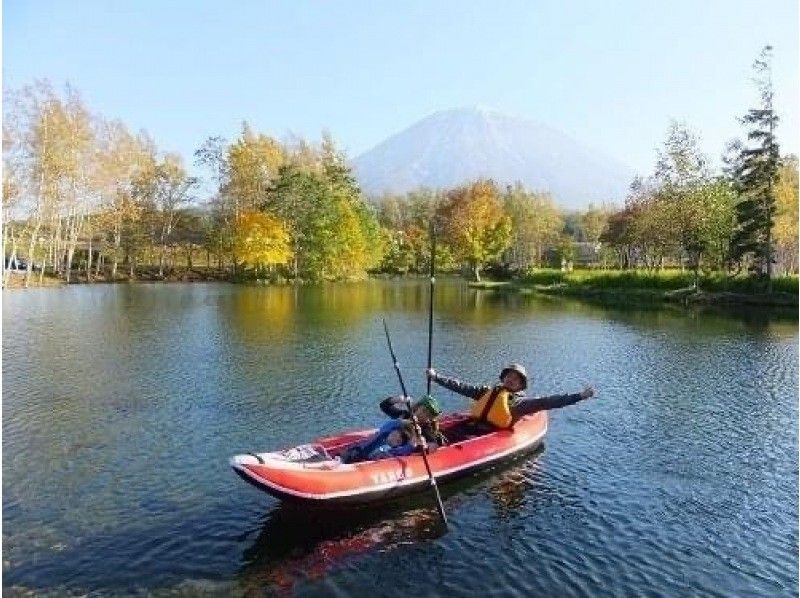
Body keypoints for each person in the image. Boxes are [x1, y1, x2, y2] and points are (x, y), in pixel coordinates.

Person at [426, 363, 594, 430]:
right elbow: (461, 387)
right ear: (503, 377)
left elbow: (549, 402)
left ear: (521, 385)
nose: (511, 380)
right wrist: (436, 377)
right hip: (472, 426)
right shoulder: (488, 391)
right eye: (509, 376)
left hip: (488, 435)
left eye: (516, 379)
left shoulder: (519, 403)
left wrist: (579, 396)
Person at [379, 394, 446, 447]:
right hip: (386, 444)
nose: (424, 415)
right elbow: (384, 406)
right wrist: (398, 399)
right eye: (423, 411)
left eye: (428, 415)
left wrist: (422, 443)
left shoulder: (426, 430)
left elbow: (433, 444)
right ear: (417, 407)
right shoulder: (405, 415)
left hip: (400, 455)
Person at [339, 419, 415, 463]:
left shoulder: (393, 451)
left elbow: (404, 450)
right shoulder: (382, 434)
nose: (393, 439)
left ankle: (337, 462)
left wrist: (412, 445)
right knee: (349, 453)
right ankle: (336, 460)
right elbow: (390, 425)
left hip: (364, 461)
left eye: (397, 441)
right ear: (391, 432)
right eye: (393, 435)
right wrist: (401, 422)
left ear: (399, 445)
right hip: (356, 452)